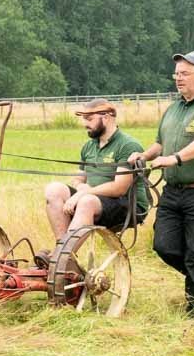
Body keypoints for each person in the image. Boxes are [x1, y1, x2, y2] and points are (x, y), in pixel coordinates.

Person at [129, 51, 194, 317]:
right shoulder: (173, 109)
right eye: (176, 73)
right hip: (174, 193)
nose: (178, 78)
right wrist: (144, 155)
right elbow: (160, 143)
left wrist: (175, 159)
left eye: (184, 73)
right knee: (164, 246)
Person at [41, 99, 148, 252]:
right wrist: (80, 187)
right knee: (54, 189)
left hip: (127, 204)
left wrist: (84, 192)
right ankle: (62, 249)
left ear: (106, 117)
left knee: (86, 201)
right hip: (94, 199)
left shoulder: (127, 145)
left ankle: (62, 256)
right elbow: (79, 178)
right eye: (84, 119)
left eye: (89, 119)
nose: (85, 123)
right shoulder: (89, 146)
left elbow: (119, 188)